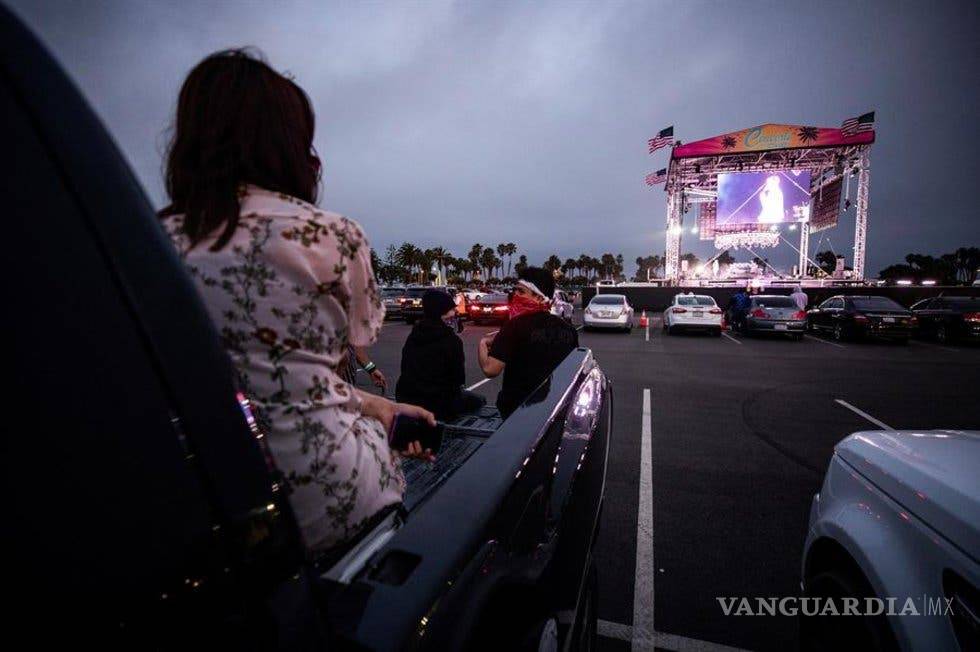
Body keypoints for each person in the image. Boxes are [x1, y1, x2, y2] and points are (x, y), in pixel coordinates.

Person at [161, 49, 434, 552]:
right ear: (290, 146)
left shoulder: (152, 241)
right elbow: (320, 371)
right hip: (320, 498)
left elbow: (253, 383)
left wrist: (378, 404)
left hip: (193, 498)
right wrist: (380, 410)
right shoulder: (332, 235)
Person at [478, 267, 578, 418]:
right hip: (557, 408)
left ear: (539, 297)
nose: (515, 295)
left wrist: (483, 343)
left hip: (518, 410)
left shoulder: (514, 326)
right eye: (515, 291)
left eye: (521, 291)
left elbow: (490, 370)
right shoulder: (568, 329)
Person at [396, 290, 486, 420]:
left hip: (406, 397)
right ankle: (457, 432)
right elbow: (458, 379)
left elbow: (405, 367)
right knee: (479, 401)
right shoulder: (451, 340)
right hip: (438, 403)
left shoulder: (414, 335)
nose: (455, 313)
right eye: (451, 310)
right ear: (441, 312)